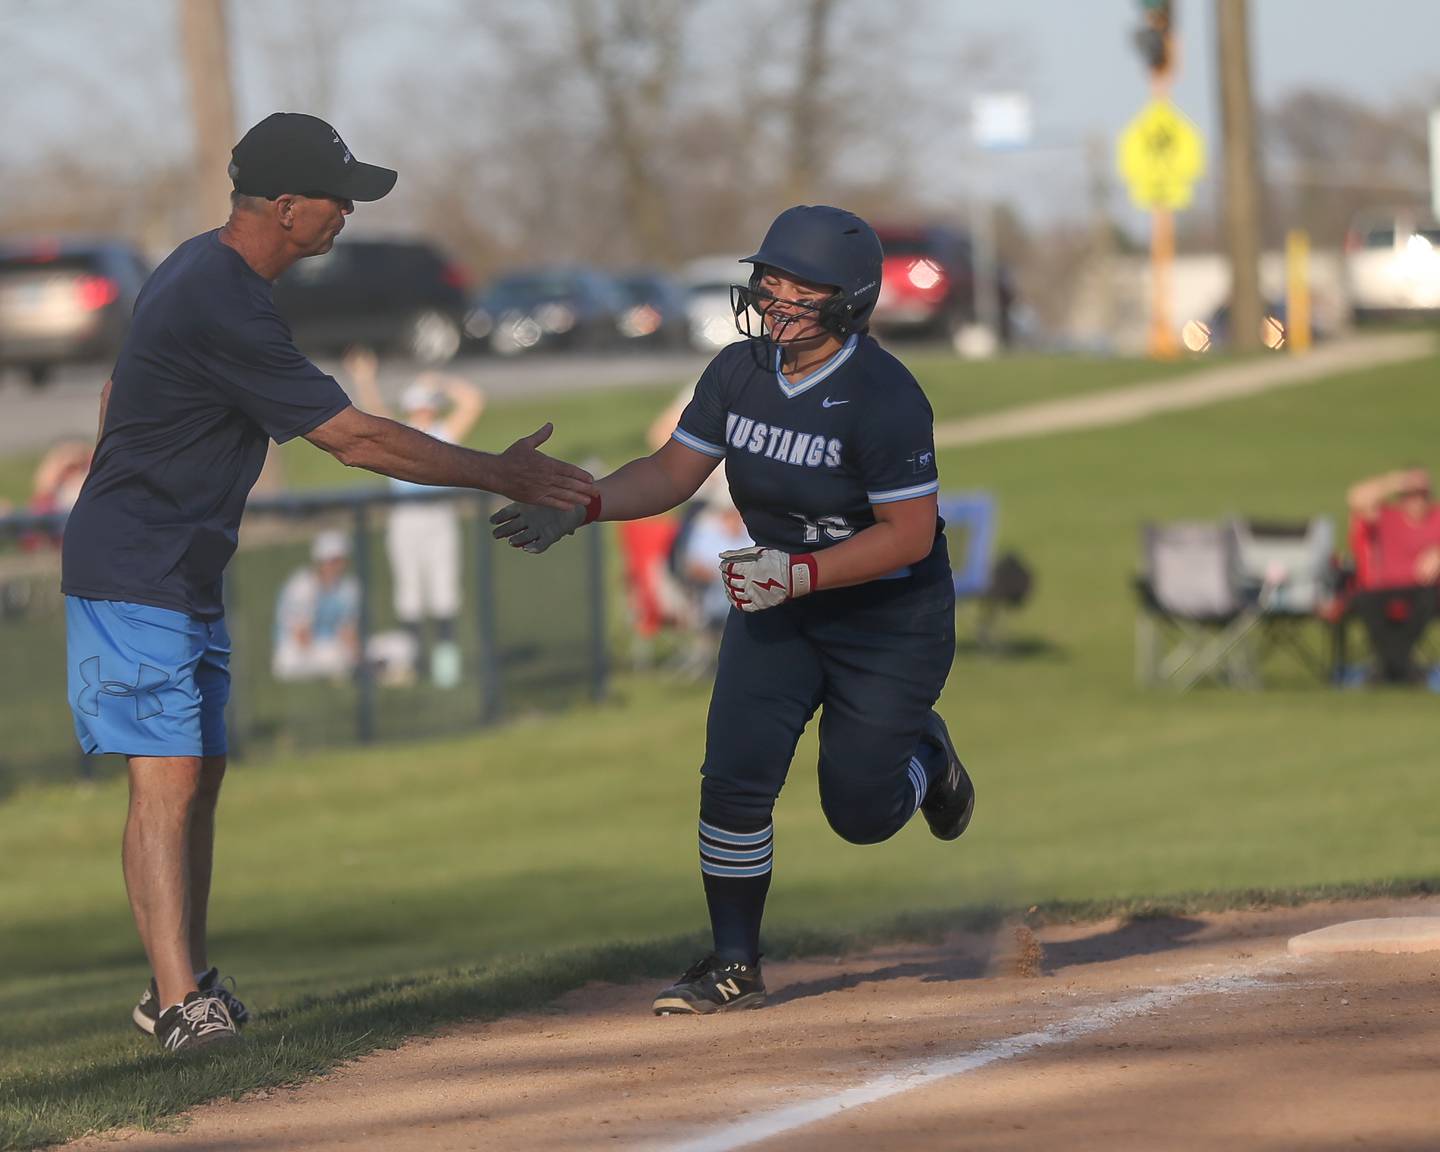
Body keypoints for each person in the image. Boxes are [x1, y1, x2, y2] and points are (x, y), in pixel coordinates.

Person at [60, 112, 596, 1054]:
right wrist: (500, 472)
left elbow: (118, 392)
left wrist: (144, 465)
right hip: (133, 565)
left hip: (176, 564)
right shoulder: (219, 295)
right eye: (340, 198)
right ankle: (182, 1005)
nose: (349, 213)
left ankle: (175, 982)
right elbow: (352, 438)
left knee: (200, 775)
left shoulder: (204, 272)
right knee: (168, 777)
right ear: (286, 206)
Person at [493, 205, 975, 1015]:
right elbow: (672, 472)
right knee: (734, 783)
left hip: (886, 620)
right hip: (780, 604)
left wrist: (801, 575)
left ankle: (930, 760)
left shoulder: (883, 394)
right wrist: (581, 505)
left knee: (860, 814)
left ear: (849, 299)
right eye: (769, 277)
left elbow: (909, 535)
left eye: (799, 284)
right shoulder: (738, 371)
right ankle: (733, 963)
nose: (775, 294)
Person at [344, 347, 483, 688]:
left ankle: (444, 658)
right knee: (408, 590)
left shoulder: (444, 436)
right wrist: (364, 378)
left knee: (444, 587)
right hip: (406, 519)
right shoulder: (399, 435)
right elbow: (372, 411)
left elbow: (473, 401)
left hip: (439, 517)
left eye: (427, 405)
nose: (423, 411)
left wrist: (439, 380)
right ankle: (414, 658)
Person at [1345, 467, 1440, 683]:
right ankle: (1402, 668)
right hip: (1385, 589)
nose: (1416, 501)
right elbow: (1356, 498)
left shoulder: (1437, 517)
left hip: (1425, 590)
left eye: (1422, 494)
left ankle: (1390, 669)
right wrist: (1398, 481)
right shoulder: (1387, 516)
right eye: (1410, 494)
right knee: (1364, 600)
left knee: (1427, 598)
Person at [271, 530, 361, 682]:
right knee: (331, 657)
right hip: (296, 651)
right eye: (333, 561)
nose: (338, 566)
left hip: (330, 645)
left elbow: (349, 633)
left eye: (340, 560)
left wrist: (356, 656)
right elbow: (302, 637)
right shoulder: (301, 586)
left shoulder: (348, 588)